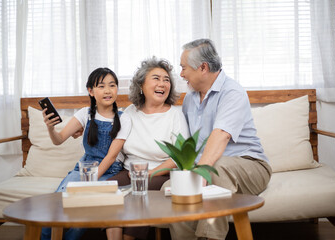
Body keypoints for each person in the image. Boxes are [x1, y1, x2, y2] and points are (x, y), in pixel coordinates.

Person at [169, 39, 272, 240]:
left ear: (203, 68)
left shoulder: (232, 92)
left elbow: (220, 136)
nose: (181, 74)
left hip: (251, 166)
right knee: (175, 188)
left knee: (217, 168)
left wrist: (199, 173)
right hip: (213, 167)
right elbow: (189, 145)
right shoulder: (190, 99)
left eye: (184, 68)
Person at [41, 67, 131, 240]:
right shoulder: (84, 114)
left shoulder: (124, 118)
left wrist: (88, 182)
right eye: (101, 86)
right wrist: (50, 127)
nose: (107, 90)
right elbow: (58, 139)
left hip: (109, 171)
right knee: (55, 208)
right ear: (91, 91)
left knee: (81, 214)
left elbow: (111, 156)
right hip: (84, 168)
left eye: (112, 85)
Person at [106, 56, 190, 240]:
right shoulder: (129, 112)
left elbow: (179, 158)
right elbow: (117, 147)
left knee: (138, 195)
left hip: (160, 174)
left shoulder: (175, 116)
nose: (162, 83)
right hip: (129, 170)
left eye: (166, 80)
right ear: (141, 85)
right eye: (156, 78)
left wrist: (148, 174)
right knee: (107, 192)